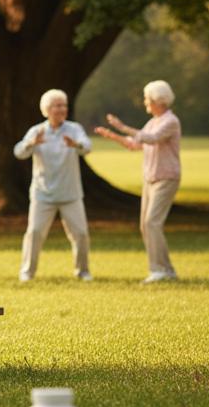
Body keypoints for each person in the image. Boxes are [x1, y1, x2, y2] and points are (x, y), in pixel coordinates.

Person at [95, 80, 182, 283]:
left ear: (157, 100)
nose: (145, 102)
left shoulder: (170, 121)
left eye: (147, 99)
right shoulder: (153, 122)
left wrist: (122, 127)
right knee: (146, 225)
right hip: (150, 178)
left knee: (152, 222)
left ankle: (159, 270)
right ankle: (166, 270)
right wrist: (113, 135)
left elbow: (151, 138)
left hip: (166, 177)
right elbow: (135, 144)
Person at [13, 89, 93, 282]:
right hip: (43, 193)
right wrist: (32, 143)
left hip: (70, 193)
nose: (62, 109)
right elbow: (19, 152)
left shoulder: (74, 129)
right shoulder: (37, 131)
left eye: (64, 105)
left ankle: (83, 271)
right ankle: (27, 272)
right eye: (57, 105)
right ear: (47, 110)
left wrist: (76, 145)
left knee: (81, 233)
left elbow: (87, 147)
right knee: (34, 233)